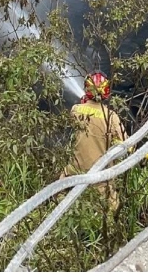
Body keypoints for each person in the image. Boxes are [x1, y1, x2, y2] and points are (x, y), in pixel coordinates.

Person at [64, 72, 127, 208]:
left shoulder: (76, 110)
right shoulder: (111, 117)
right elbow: (126, 146)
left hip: (74, 174)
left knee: (62, 203)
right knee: (111, 213)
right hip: (101, 178)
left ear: (87, 88)